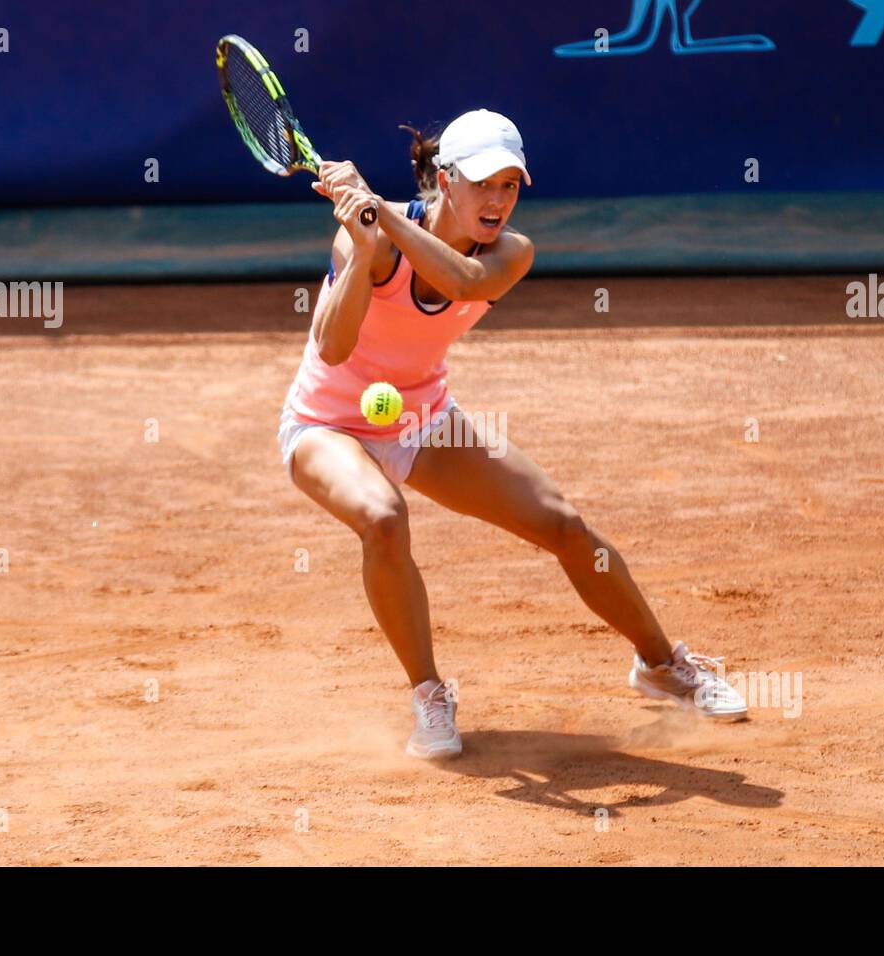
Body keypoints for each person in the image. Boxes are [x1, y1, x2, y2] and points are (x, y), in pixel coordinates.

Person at [279, 109, 746, 759]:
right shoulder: (372, 234)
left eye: (510, 184)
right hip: (325, 423)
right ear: (444, 180)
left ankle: (662, 665)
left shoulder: (510, 252)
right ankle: (430, 695)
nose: (497, 200)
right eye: (481, 183)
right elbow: (332, 348)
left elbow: (462, 280)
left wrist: (379, 216)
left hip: (418, 416)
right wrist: (362, 247)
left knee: (563, 525)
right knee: (383, 517)